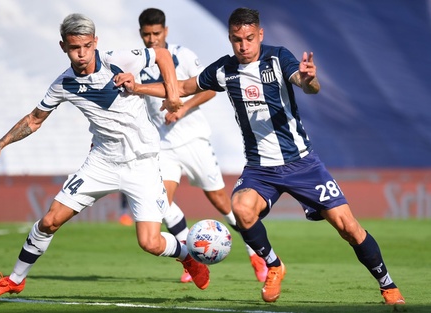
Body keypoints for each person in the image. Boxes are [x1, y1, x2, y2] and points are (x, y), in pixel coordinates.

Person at [115, 7, 405, 306]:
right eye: (237, 40)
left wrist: (309, 80)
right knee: (240, 209)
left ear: (260, 35)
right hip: (260, 169)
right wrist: (137, 88)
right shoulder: (225, 69)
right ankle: (274, 265)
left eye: (250, 38)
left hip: (301, 163)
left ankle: (388, 285)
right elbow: (182, 87)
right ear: (230, 38)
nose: (244, 46)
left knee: (348, 227)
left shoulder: (278, 58)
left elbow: (307, 85)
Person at [0, 13, 210, 300]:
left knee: (149, 242)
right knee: (49, 221)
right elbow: (35, 119)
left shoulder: (118, 60)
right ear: (63, 47)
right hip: (101, 161)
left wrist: (173, 93)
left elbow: (161, 54)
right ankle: (14, 280)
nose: (82, 53)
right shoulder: (63, 84)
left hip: (142, 162)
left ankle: (187, 256)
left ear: (95, 42)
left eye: (87, 46)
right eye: (75, 48)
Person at [137, 8, 267, 284]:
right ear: (141, 34)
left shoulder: (182, 55)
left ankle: (254, 251)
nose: (151, 39)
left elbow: (210, 87)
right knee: (161, 203)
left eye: (156, 34)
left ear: (165, 31)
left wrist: (183, 108)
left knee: (221, 201)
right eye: (147, 35)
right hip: (164, 146)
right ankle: (191, 259)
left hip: (194, 140)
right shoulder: (138, 64)